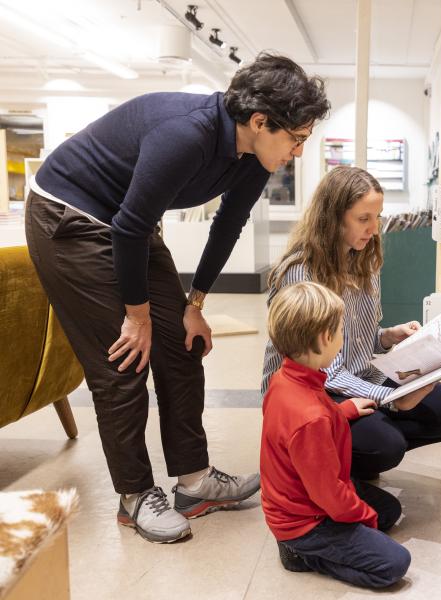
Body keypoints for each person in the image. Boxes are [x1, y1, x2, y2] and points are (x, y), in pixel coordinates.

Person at [24, 52, 330, 544]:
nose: (297, 151)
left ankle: (194, 482)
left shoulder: (254, 155)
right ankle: (134, 496)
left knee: (185, 344)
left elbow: (228, 223)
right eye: (295, 139)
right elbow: (128, 229)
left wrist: (195, 306)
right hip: (70, 219)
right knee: (124, 358)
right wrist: (136, 317)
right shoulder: (184, 135)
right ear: (259, 121)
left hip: (127, 224)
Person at [262, 166, 441, 481]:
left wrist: (387, 337)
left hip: (355, 376)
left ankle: (345, 449)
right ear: (333, 218)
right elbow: (324, 369)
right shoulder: (302, 273)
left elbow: (358, 341)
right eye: (363, 218)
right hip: (313, 392)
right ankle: (314, 460)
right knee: (386, 445)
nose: (373, 228)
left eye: (377, 217)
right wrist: (392, 401)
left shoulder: (363, 261)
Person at [261, 281, 410, 588]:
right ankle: (301, 554)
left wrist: (345, 411)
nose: (343, 339)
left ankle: (310, 542)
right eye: (341, 332)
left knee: (390, 511)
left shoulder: (285, 379)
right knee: (395, 563)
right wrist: (364, 520)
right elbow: (327, 494)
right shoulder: (310, 418)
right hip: (306, 523)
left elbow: (300, 428)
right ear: (326, 338)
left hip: (299, 498)